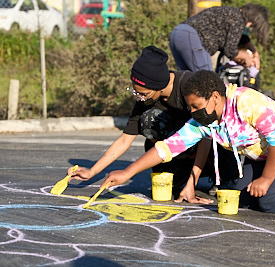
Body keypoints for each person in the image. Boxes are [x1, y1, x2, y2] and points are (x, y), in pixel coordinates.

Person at [101, 70, 275, 213]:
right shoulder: (204, 120)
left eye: (196, 106)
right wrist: (127, 172)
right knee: (236, 194)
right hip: (268, 155)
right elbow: (167, 148)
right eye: (190, 108)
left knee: (269, 201)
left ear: (215, 97)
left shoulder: (247, 102)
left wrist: (265, 180)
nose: (192, 113)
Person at [68, 46, 236, 203]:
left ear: (158, 86)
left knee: (231, 180)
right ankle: (180, 175)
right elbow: (125, 140)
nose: (139, 97)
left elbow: (206, 135)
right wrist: (93, 171)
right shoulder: (145, 99)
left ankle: (215, 174)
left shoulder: (190, 88)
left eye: (143, 93)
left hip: (212, 147)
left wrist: (193, 181)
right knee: (149, 121)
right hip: (176, 151)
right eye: (136, 92)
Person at [169, 3, 268, 72]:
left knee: (186, 81)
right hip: (191, 37)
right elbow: (230, 50)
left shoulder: (231, 14)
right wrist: (246, 57)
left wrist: (255, 52)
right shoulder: (238, 19)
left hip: (177, 33)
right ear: (252, 20)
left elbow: (241, 38)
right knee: (207, 82)